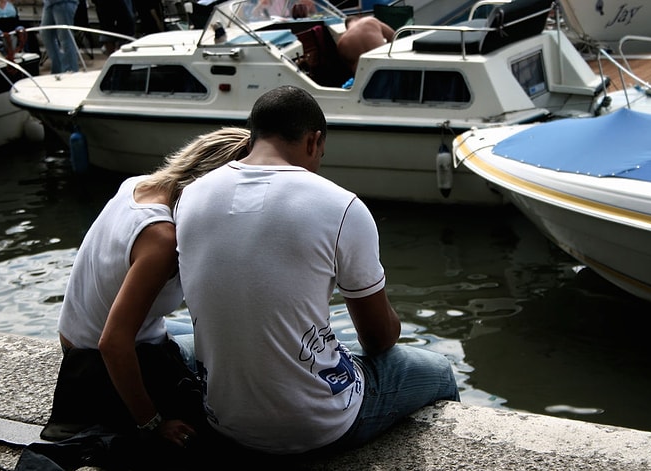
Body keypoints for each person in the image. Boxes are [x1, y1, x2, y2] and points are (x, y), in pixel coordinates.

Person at [175, 85, 460, 456]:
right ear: (313, 141)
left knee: (181, 334)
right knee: (437, 369)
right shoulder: (340, 205)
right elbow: (378, 339)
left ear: (254, 136)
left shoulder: (190, 196)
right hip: (318, 427)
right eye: (320, 154)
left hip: (225, 420)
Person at [45, 127, 251, 447]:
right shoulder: (161, 239)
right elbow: (113, 342)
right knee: (237, 344)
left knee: (202, 329)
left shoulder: (137, 185)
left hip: (77, 339)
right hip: (96, 365)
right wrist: (153, 422)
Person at [40, 0, 80, 73]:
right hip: (49, 3)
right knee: (46, 34)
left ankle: (70, 70)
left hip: (64, 2)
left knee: (65, 37)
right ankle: (58, 68)